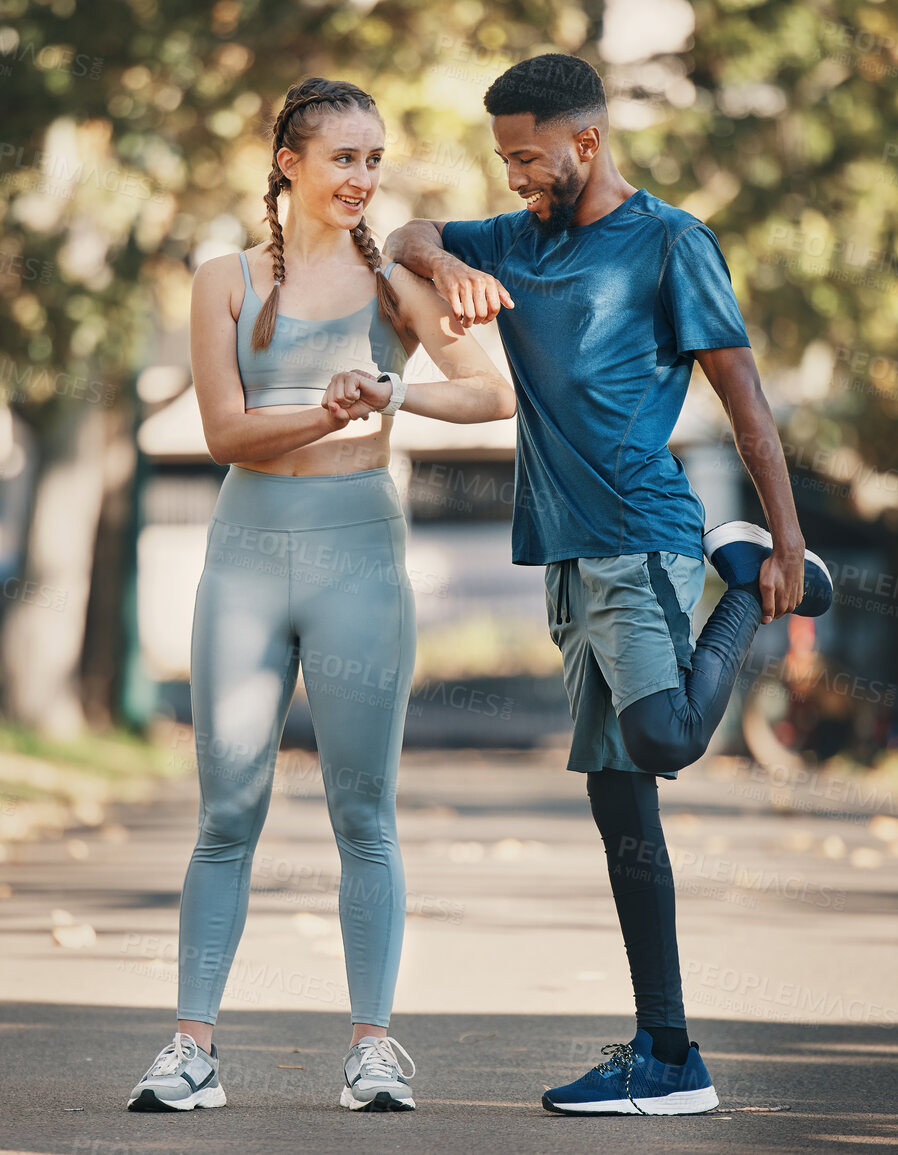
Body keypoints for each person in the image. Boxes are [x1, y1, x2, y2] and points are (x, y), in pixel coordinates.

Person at [385, 53, 833, 1116]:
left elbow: (746, 403)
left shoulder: (673, 243)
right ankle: (668, 1056)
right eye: (502, 158)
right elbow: (402, 236)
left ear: (588, 142)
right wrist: (443, 264)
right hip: (567, 551)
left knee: (668, 740)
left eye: (529, 155)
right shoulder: (518, 235)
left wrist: (781, 548)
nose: (512, 176)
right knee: (621, 810)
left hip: (645, 534)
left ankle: (734, 593)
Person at [127, 77, 515, 1114]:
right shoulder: (224, 281)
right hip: (247, 554)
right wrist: (325, 409)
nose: (362, 177)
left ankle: (375, 1049)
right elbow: (223, 432)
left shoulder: (395, 284)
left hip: (358, 553)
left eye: (374, 159)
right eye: (342, 157)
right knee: (228, 809)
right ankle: (190, 1049)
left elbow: (491, 392)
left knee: (365, 812)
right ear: (287, 162)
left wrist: (395, 392)